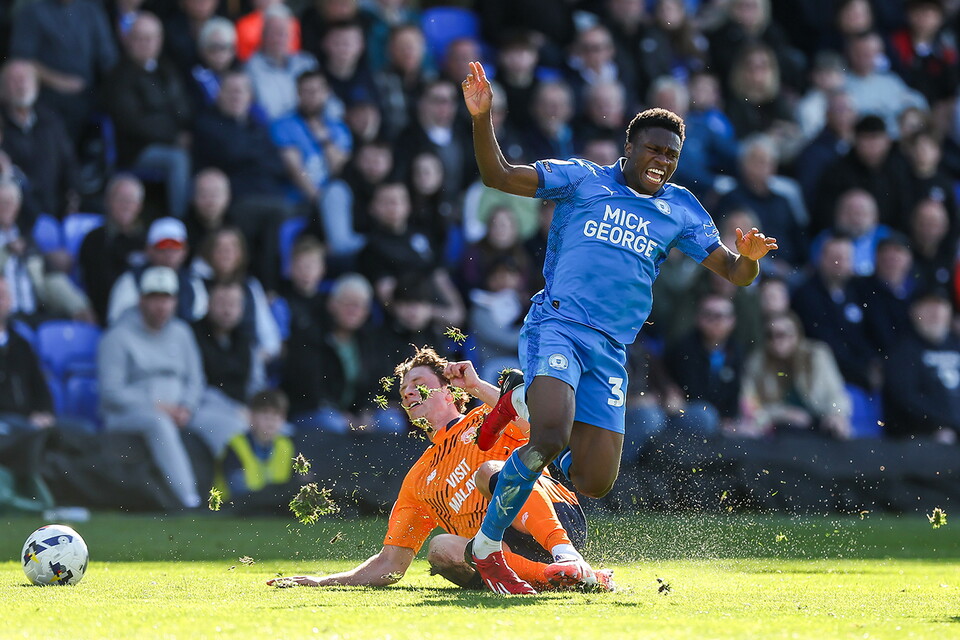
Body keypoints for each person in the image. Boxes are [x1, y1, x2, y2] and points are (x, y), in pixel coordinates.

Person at [459, 61, 778, 594]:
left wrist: (749, 260)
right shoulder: (582, 179)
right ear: (628, 148)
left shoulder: (681, 209)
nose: (662, 162)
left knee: (593, 480)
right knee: (551, 435)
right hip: (558, 325)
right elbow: (498, 175)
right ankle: (487, 547)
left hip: (610, 348)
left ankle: (516, 406)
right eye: (654, 150)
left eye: (672, 155)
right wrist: (482, 115)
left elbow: (734, 274)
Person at [268, 348, 614, 592]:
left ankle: (566, 555)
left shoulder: (486, 418)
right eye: (403, 391)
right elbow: (390, 565)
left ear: (449, 391)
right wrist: (322, 581)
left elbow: (543, 426)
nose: (407, 392)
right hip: (501, 555)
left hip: (555, 519)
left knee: (492, 470)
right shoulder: (418, 478)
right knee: (441, 548)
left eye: (417, 382)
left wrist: (478, 388)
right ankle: (565, 577)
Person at [98, 265, 248, 507]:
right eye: (154, 298)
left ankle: (245, 491)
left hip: (183, 409)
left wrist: (186, 406)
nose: (161, 305)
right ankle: (188, 499)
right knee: (159, 423)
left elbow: (196, 379)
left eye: (166, 298)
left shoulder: (182, 332)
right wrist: (160, 408)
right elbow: (111, 393)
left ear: (175, 301)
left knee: (231, 421)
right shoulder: (117, 337)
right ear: (141, 300)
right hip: (130, 414)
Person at [215, 388, 297, 514]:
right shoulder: (236, 445)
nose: (271, 421)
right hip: (233, 511)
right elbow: (238, 492)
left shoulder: (286, 446)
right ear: (251, 417)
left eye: (276, 415)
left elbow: (294, 485)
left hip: (269, 510)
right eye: (265, 415)